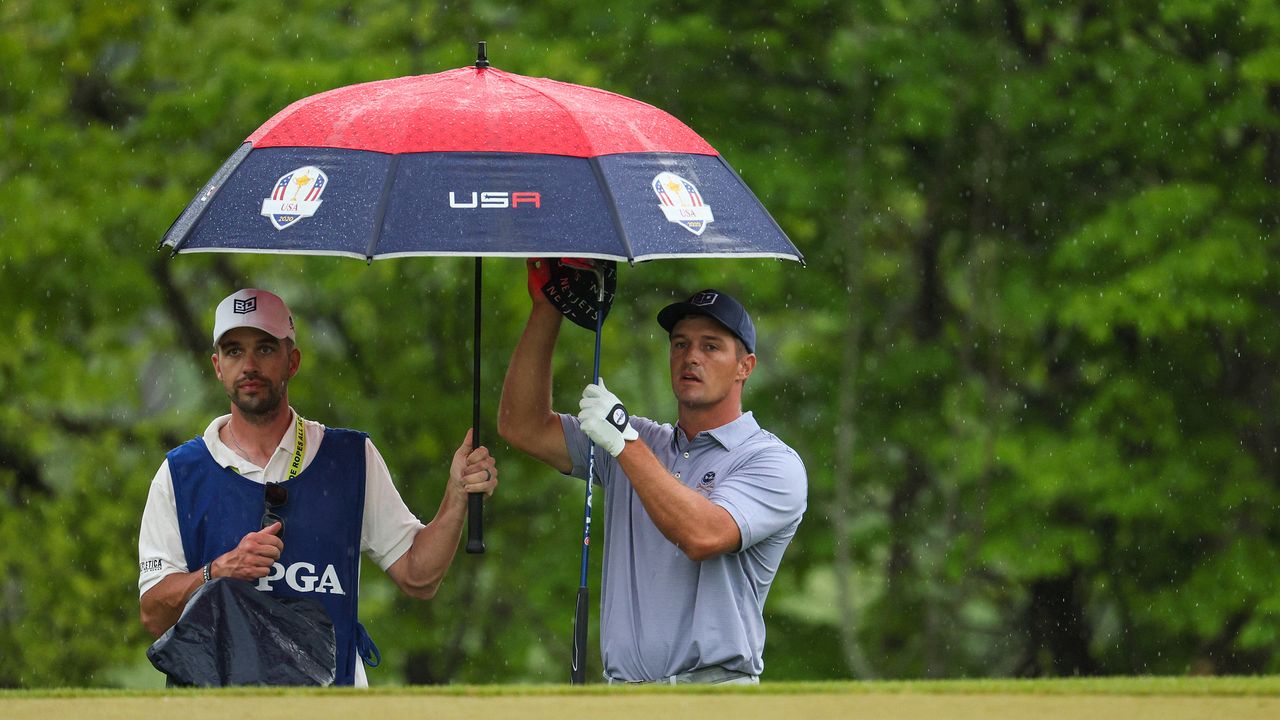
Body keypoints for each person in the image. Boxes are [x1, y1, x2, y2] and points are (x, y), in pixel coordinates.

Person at [138, 288, 497, 686]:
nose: (249, 365)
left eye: (265, 349)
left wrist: (456, 495)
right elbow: (154, 614)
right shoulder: (180, 473)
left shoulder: (350, 457)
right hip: (217, 708)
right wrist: (216, 572)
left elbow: (418, 576)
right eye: (234, 351)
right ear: (217, 366)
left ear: (292, 361)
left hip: (332, 702)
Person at [499, 265, 807, 684]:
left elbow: (703, 535)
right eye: (680, 345)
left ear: (745, 366)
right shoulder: (637, 441)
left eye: (711, 347)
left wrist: (624, 441)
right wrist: (547, 307)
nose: (690, 357)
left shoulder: (772, 461)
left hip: (714, 699)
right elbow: (522, 424)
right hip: (624, 696)